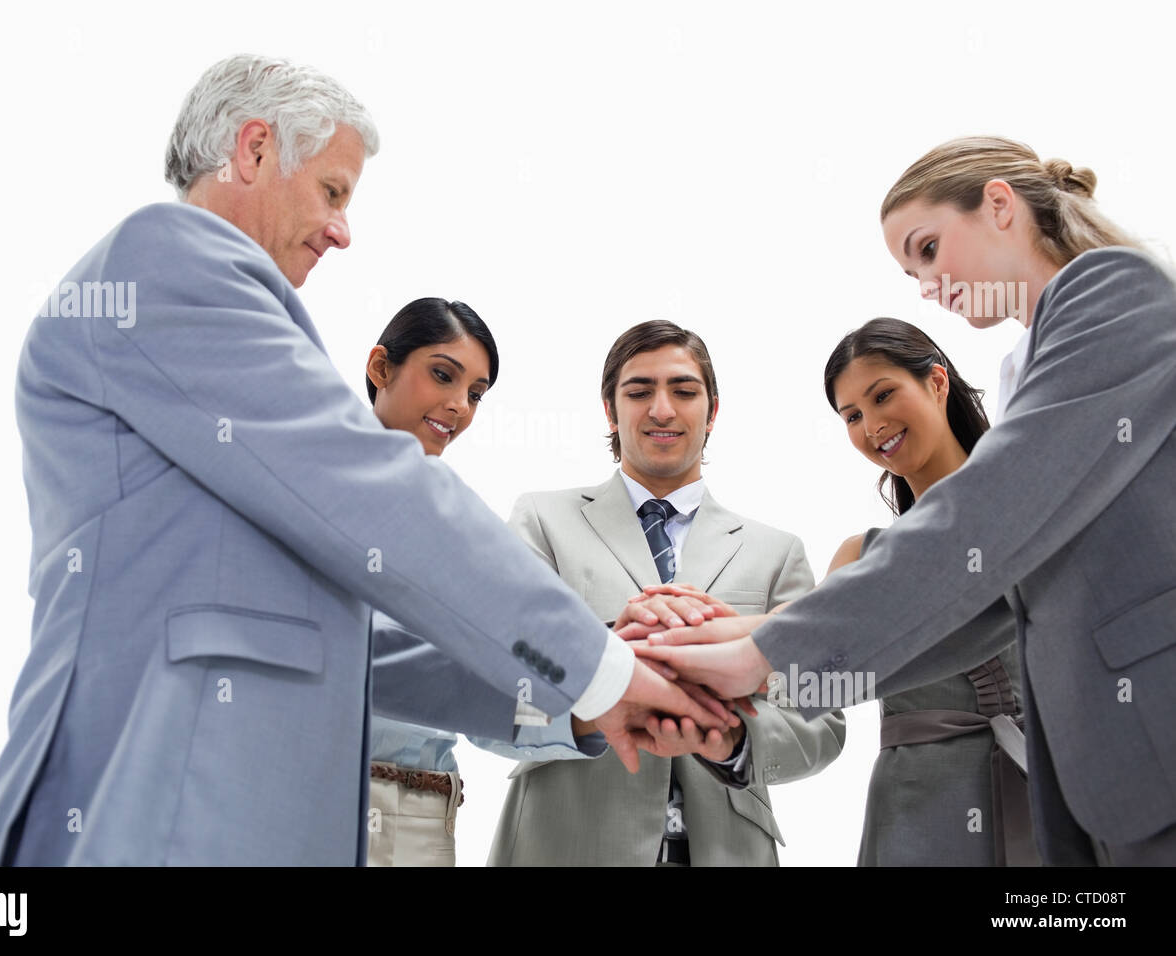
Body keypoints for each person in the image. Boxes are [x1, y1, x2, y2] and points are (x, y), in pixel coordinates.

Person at [0, 54, 727, 867]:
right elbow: (376, 491)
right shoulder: (166, 258)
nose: (341, 230)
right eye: (332, 191)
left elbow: (357, 649)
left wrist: (577, 698)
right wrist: (599, 662)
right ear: (253, 151)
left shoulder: (226, 347)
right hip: (149, 807)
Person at [634, 136, 1176, 865]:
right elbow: (987, 605)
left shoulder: (1111, 291)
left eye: (928, 248)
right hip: (1100, 788)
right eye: (909, 269)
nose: (927, 283)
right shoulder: (1029, 366)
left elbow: (983, 520)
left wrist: (760, 650)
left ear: (998, 204)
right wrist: (751, 648)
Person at [479, 320, 846, 866]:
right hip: (563, 842)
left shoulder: (778, 552)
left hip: (727, 850)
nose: (662, 409)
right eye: (639, 390)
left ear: (712, 410)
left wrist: (729, 737)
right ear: (610, 409)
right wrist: (610, 653)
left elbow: (821, 718)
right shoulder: (541, 521)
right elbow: (491, 686)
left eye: (683, 390)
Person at [825, 317, 1035, 866]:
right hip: (914, 815)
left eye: (883, 395)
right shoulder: (860, 557)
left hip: (1053, 787)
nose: (871, 424)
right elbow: (806, 662)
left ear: (937, 383)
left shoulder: (1040, 514)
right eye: (852, 416)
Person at [363, 296, 498, 865]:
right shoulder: (302, 482)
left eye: (475, 393)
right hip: (319, 794)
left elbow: (489, 687)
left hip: (428, 821)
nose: (458, 406)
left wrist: (609, 704)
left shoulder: (462, 527)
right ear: (381, 368)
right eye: (443, 375)